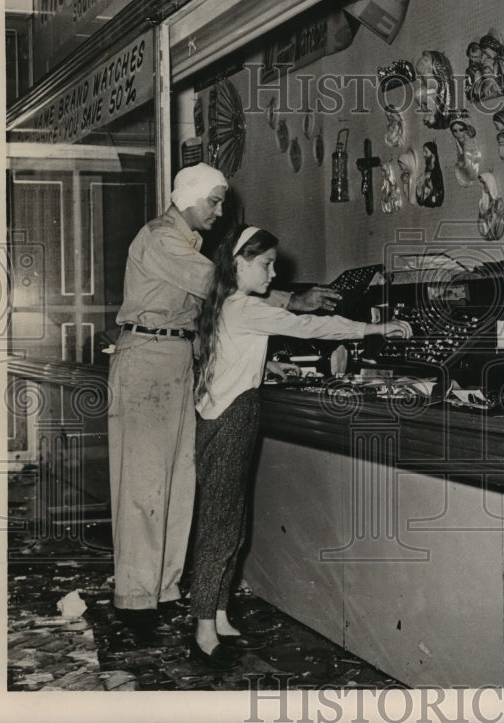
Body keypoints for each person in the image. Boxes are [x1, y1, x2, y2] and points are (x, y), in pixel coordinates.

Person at [107, 163, 340, 644]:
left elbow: (214, 318)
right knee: (144, 484)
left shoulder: (188, 243)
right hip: (147, 357)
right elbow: (218, 285)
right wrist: (291, 302)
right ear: (188, 196)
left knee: (178, 483)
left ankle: (165, 589)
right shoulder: (160, 238)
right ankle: (134, 600)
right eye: (213, 201)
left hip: (179, 358)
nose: (218, 210)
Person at [188, 224, 411, 668]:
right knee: (221, 521)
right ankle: (203, 625)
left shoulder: (228, 305)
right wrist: (376, 327)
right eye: (266, 264)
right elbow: (309, 324)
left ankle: (217, 611)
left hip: (230, 413)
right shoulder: (244, 309)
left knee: (232, 516)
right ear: (240, 264)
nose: (273, 273)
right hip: (232, 417)